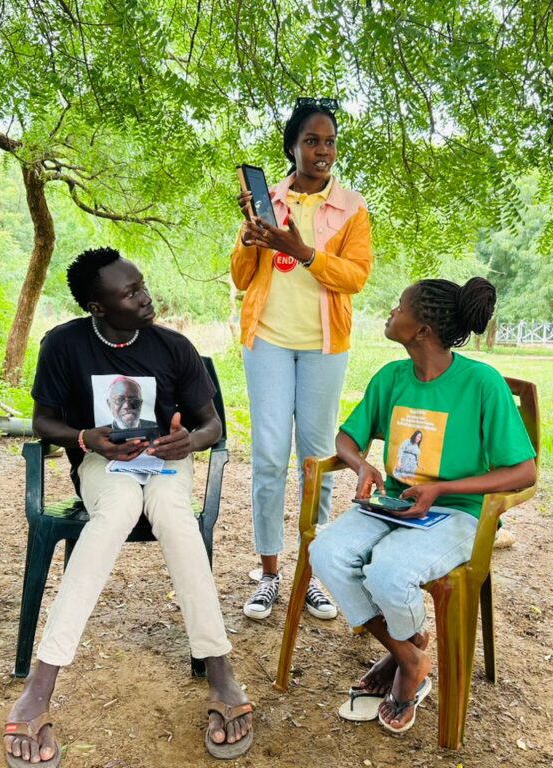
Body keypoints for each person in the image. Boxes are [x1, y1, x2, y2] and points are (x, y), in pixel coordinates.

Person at [3, 248, 253, 766]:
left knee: (174, 514)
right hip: (104, 463)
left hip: (164, 460)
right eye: (130, 292)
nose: (145, 297)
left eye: (142, 285)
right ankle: (40, 685)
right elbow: (42, 422)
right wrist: (85, 437)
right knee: (115, 511)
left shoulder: (173, 346)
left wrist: (192, 443)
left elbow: (211, 424)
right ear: (98, 306)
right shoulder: (64, 345)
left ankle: (222, 674)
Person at [308, 277, 538, 733]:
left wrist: (443, 489)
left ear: (422, 330)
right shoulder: (391, 377)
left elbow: (523, 472)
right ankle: (409, 655)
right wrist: (360, 466)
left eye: (398, 307)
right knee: (327, 552)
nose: (390, 313)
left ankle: (404, 661)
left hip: (457, 513)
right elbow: (347, 438)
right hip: (392, 503)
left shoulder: (482, 383)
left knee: (389, 572)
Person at [231, 97, 373, 622]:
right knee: (269, 455)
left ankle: (309, 574)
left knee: (316, 460)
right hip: (267, 338)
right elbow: (243, 277)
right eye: (312, 141)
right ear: (291, 147)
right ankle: (270, 573)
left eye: (330, 141)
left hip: (323, 345)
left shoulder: (353, 209)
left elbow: (356, 277)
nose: (322, 151)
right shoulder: (265, 199)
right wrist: (251, 240)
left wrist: (305, 250)